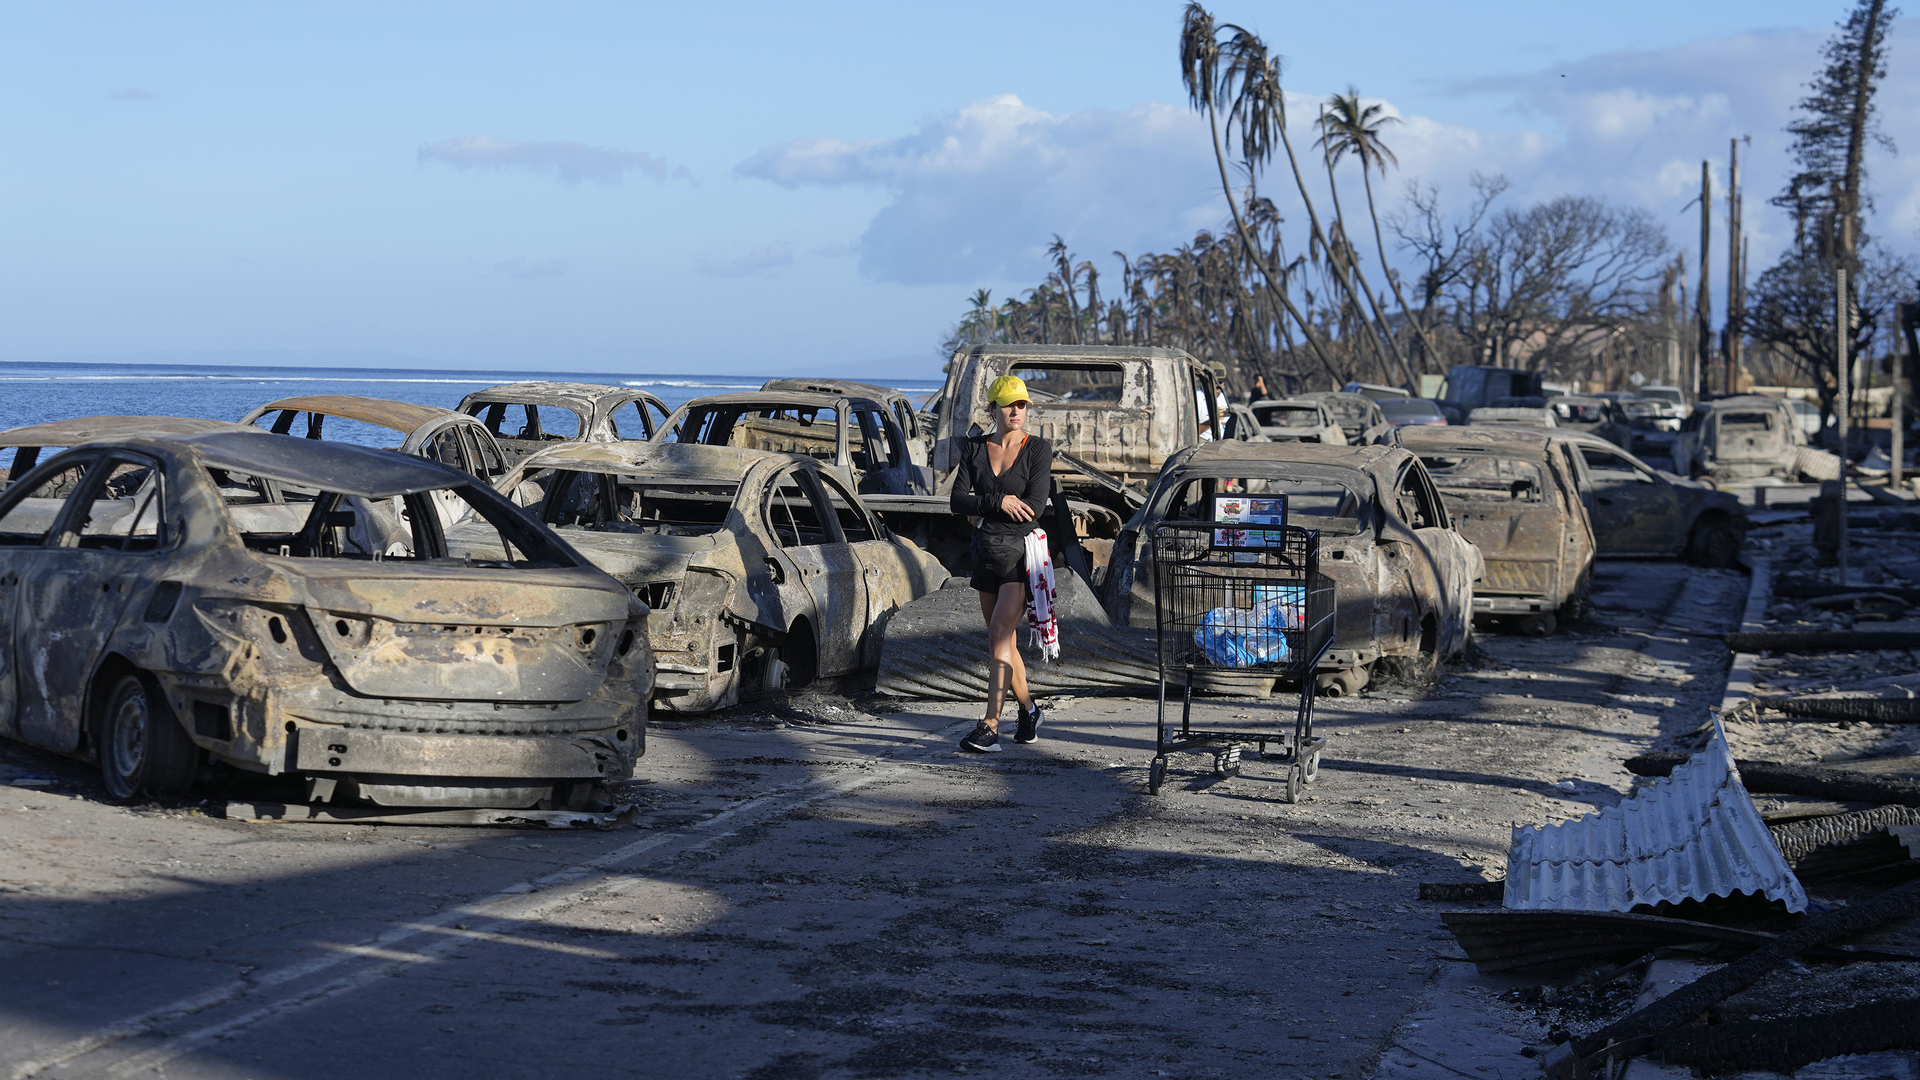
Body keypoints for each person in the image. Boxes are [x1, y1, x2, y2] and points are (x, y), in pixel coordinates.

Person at [949, 374, 1052, 752]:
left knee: (997, 636)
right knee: (1004, 642)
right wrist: (998, 503)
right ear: (992, 408)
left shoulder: (1038, 449)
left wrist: (984, 508)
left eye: (1022, 404)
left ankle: (991, 725)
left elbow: (1035, 508)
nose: (1017, 411)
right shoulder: (974, 448)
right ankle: (1028, 710)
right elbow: (956, 501)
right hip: (985, 554)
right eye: (1009, 404)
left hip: (1020, 555)